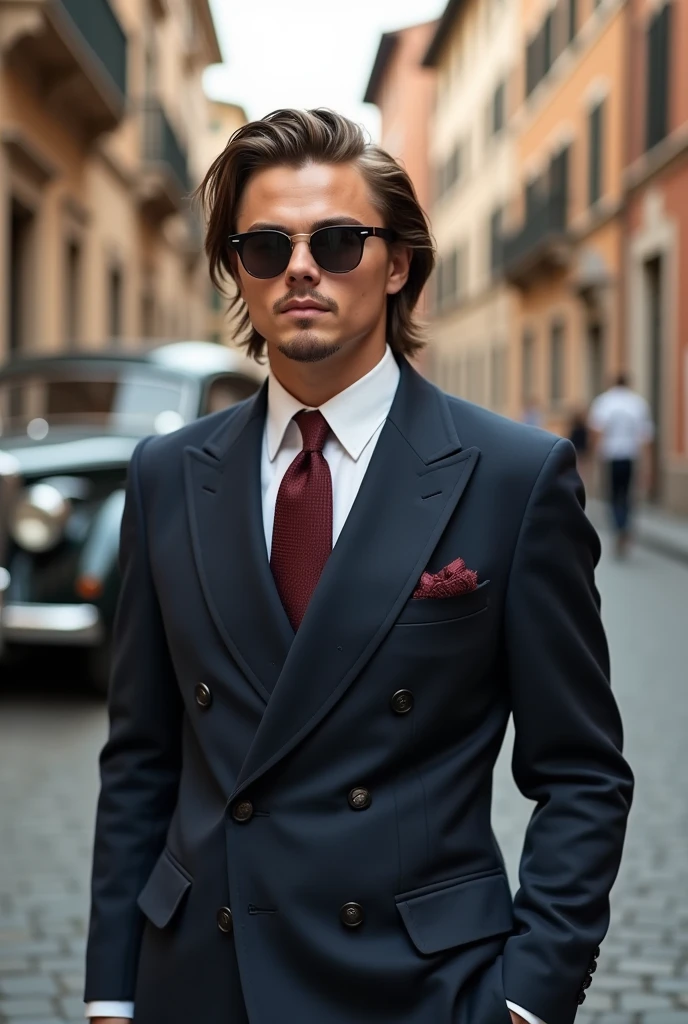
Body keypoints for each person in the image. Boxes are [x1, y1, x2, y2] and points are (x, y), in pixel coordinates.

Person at [85, 109, 633, 1024]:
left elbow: (581, 773)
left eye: (339, 241)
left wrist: (529, 999)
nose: (301, 268)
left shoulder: (512, 477)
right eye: (265, 246)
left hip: (417, 989)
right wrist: (111, 992)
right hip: (202, 980)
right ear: (237, 273)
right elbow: (141, 759)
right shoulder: (167, 476)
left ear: (399, 264)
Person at [589, 373, 654, 558]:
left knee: (612, 494)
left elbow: (597, 432)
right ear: (629, 384)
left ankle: (618, 527)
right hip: (630, 455)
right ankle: (624, 526)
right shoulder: (638, 403)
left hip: (610, 456)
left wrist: (595, 458)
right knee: (626, 494)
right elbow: (646, 437)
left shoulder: (604, 402)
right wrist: (648, 467)